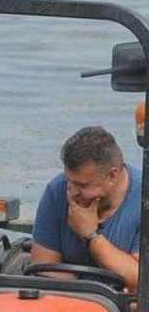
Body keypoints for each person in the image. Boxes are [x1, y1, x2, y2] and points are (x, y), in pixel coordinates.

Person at [31, 125, 141, 291]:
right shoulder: (57, 190)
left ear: (112, 175)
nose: (72, 192)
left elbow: (142, 281)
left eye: (82, 185)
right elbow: (43, 269)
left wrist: (90, 235)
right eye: (70, 180)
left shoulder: (144, 200)